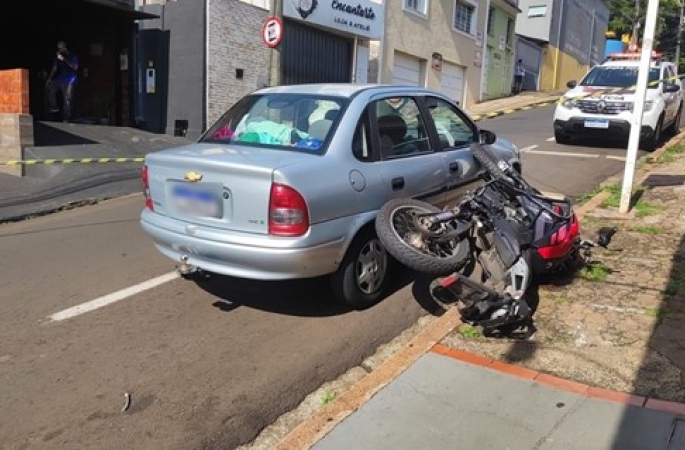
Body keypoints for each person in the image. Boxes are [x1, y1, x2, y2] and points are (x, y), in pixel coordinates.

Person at [45, 41, 78, 122]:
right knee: (50, 88)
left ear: (65, 48)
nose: (60, 50)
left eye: (61, 48)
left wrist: (64, 60)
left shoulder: (72, 56)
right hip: (60, 79)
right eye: (58, 49)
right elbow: (55, 68)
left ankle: (66, 118)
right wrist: (49, 78)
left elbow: (75, 67)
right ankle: (54, 106)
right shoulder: (58, 58)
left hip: (70, 79)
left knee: (67, 99)